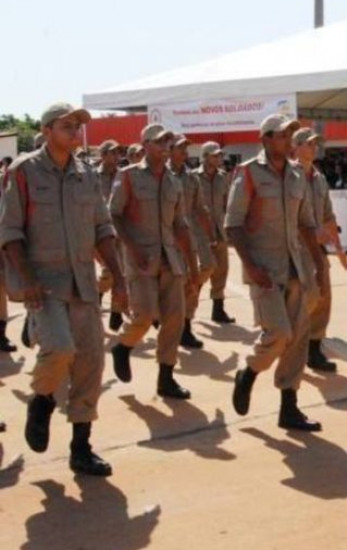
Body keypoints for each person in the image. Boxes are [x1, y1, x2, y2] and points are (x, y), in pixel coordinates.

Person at [0, 102, 127, 475]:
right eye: (67, 125)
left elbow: (103, 228)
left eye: (78, 126)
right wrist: (28, 280)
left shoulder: (85, 174)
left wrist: (118, 276)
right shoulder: (24, 172)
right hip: (46, 285)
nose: (76, 131)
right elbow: (10, 232)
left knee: (90, 363)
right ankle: (41, 401)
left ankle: (81, 448)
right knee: (58, 348)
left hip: (84, 284)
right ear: (46, 131)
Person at [227, 114, 324, 431]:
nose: (288, 141)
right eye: (282, 135)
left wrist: (318, 264)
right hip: (264, 270)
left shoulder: (298, 174)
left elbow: (307, 222)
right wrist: (250, 266)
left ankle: (289, 407)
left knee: (297, 340)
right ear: (265, 139)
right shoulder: (249, 174)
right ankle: (250, 372)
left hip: (295, 267)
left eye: (290, 135)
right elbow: (233, 224)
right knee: (279, 334)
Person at [109, 123, 199, 400]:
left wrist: (193, 266)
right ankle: (123, 347)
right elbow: (114, 214)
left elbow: (180, 224)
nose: (165, 147)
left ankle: (166, 379)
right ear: (145, 144)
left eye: (168, 142)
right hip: (141, 260)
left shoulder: (174, 181)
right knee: (144, 316)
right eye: (160, 142)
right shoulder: (128, 177)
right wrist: (132, 248)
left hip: (170, 260)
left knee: (174, 320)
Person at [292, 126, 347, 373]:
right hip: (293, 246)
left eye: (316, 144)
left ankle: (314, 348)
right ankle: (292, 342)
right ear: (295, 147)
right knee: (308, 295)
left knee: (324, 296)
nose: (314, 148)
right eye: (309, 143)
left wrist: (338, 247)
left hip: (316, 248)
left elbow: (327, 214)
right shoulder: (287, 177)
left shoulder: (319, 178)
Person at [168, 134, 217, 350]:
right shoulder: (160, 174)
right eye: (180, 148)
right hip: (165, 239)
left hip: (189, 238)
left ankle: (185, 326)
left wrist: (212, 235)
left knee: (201, 273)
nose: (184, 152)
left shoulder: (191, 178)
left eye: (185, 149)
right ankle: (166, 322)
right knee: (169, 285)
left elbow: (200, 208)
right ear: (169, 150)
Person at [192, 142, 235, 324]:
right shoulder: (192, 177)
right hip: (199, 231)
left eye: (220, 155)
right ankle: (191, 298)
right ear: (205, 157)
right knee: (206, 266)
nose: (219, 158)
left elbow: (226, 202)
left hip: (219, 229)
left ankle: (218, 310)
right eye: (215, 155)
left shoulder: (222, 177)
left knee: (221, 271)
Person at [94, 140, 126, 332]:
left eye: (118, 153)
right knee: (108, 271)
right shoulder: (92, 176)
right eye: (112, 153)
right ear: (103, 155)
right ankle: (98, 293)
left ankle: (116, 312)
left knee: (121, 272)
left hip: (121, 230)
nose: (116, 157)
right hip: (100, 232)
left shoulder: (124, 175)